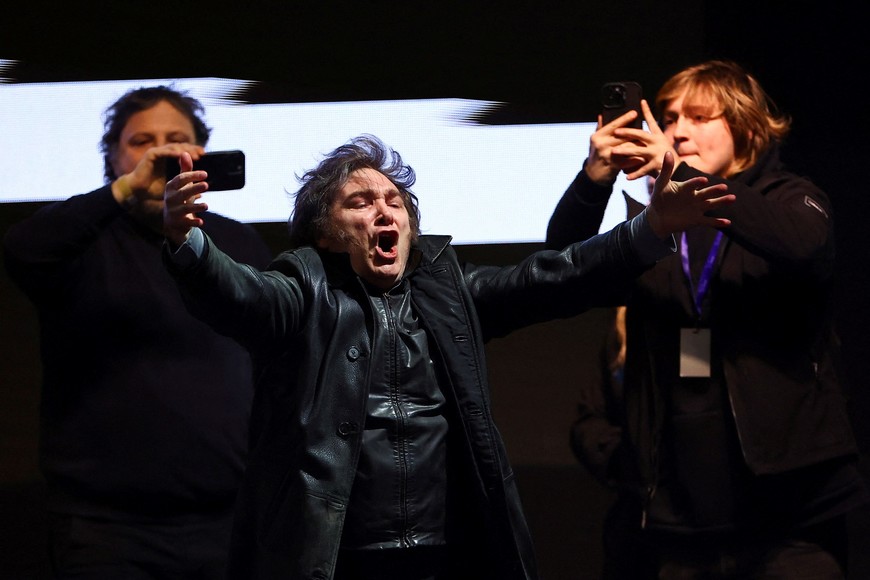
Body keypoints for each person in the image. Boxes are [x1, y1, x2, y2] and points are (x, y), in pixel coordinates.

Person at [160, 133, 733, 579]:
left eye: (394, 202)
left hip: (445, 552)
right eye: (359, 203)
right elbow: (238, 294)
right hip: (337, 555)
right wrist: (189, 243)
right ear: (328, 235)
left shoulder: (448, 292)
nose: (384, 213)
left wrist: (651, 226)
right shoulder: (302, 289)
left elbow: (555, 277)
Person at [546, 59, 869, 579]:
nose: (677, 130)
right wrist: (595, 178)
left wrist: (679, 172)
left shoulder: (787, 196)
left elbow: (805, 245)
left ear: (743, 124)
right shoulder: (654, 226)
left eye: (699, 116)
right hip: (678, 527)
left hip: (790, 520)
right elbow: (560, 268)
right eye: (670, 117)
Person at [2, 85, 273, 578]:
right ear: (111, 155)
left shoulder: (237, 241)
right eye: (142, 141)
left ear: (201, 155)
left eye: (177, 139)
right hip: (108, 532)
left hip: (226, 522)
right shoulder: (79, 242)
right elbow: (22, 248)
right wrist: (127, 189)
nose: (163, 152)